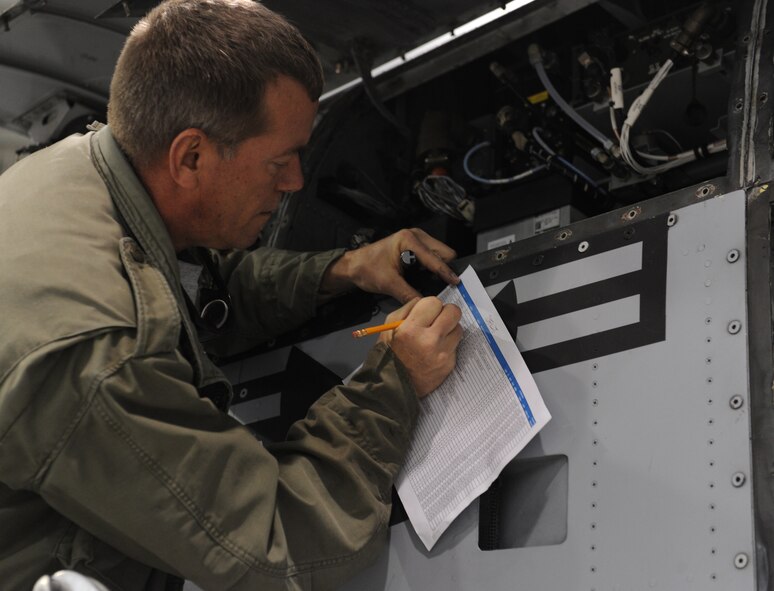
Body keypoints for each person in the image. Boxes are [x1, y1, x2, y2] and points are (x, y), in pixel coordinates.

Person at [0, 1, 464, 590]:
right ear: (190, 157)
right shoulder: (99, 354)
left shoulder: (81, 171)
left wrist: (343, 269)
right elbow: (272, 546)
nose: (296, 180)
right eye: (281, 160)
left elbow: (194, 289)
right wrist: (393, 383)